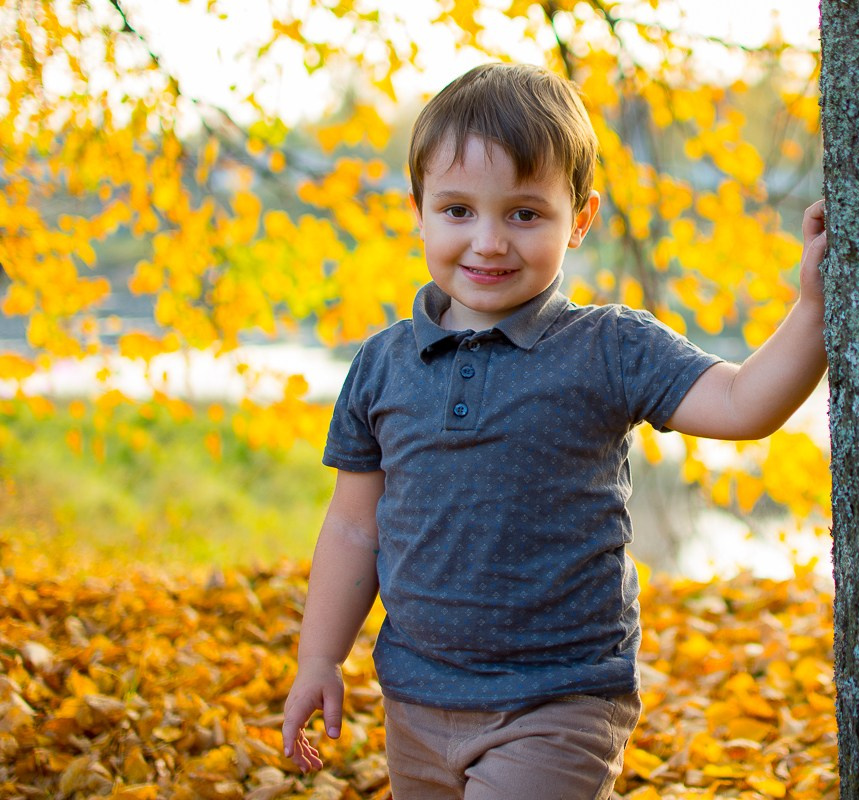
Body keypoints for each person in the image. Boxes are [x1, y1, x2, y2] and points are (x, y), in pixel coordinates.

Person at [281, 62, 828, 799]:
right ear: (418, 210)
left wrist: (813, 312)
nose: (489, 241)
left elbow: (741, 406)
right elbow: (353, 528)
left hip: (559, 698)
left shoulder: (608, 347)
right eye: (457, 211)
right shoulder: (383, 365)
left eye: (524, 214)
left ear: (582, 217)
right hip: (415, 699)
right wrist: (320, 658)